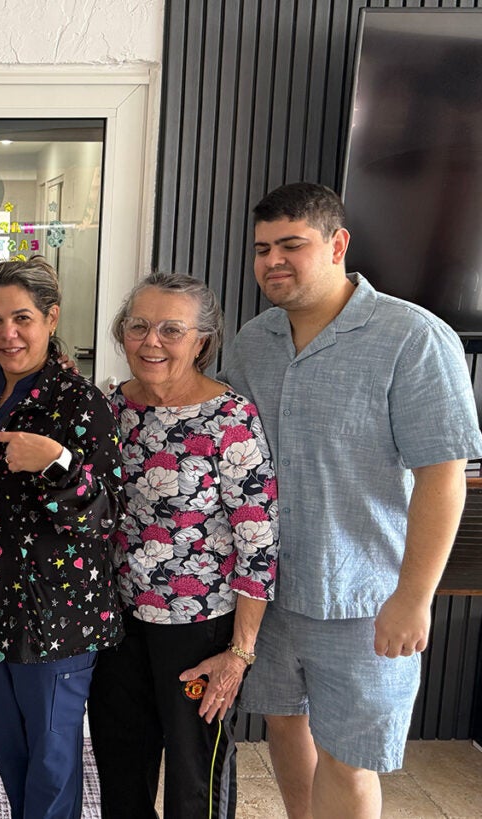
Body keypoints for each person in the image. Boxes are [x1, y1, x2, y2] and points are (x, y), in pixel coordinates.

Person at [222, 182, 482, 818]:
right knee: (283, 725)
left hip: (365, 601)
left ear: (337, 244)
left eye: (292, 245)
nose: (272, 261)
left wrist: (414, 598)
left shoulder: (413, 337)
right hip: (269, 595)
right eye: (262, 249)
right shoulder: (253, 343)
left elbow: (443, 477)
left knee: (349, 755)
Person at [0, 257, 125, 819]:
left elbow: (106, 515)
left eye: (23, 318)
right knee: (3, 740)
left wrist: (56, 461)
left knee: (53, 754)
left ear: (51, 318)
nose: (7, 333)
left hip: (53, 611)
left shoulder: (81, 401)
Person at [86, 273, 278, 819]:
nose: (151, 341)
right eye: (139, 326)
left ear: (202, 341)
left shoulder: (229, 418)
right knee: (121, 767)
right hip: (117, 622)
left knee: (196, 778)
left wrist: (239, 653)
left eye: (172, 329)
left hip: (199, 627)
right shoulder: (109, 409)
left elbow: (258, 542)